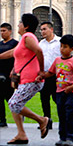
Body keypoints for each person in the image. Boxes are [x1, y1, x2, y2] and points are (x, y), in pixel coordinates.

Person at [1, 14, 50, 144]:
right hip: (25, 79)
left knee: (13, 103)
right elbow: (12, 53)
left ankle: (41, 120)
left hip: (33, 79)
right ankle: (21, 134)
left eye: (20, 22)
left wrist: (41, 70)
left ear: (26, 26)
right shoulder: (24, 39)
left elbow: (39, 51)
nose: (18, 25)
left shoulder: (28, 37)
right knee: (15, 104)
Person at [37, 33, 73, 146]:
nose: (62, 49)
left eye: (65, 47)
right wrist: (42, 76)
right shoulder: (57, 60)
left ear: (72, 48)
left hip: (71, 93)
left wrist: (72, 86)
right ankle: (62, 137)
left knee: (71, 115)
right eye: (61, 46)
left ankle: (71, 138)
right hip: (59, 92)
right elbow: (51, 72)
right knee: (62, 115)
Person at [38, 21, 60, 126]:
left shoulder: (59, 42)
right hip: (44, 74)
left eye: (44, 29)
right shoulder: (41, 44)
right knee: (44, 98)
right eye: (41, 30)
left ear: (51, 29)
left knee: (57, 98)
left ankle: (63, 120)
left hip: (56, 75)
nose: (42, 32)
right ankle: (47, 120)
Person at [0, 22, 19, 128]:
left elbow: (18, 59)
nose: (2, 33)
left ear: (10, 31)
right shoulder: (0, 44)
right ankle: (2, 120)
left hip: (10, 75)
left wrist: (14, 71)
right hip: (0, 75)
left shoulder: (15, 44)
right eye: (1, 31)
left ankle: (19, 117)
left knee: (11, 99)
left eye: (4, 31)